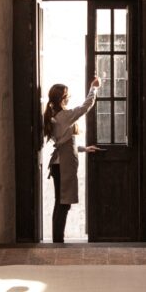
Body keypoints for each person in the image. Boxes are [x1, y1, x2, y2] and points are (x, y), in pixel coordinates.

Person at [43, 74, 103, 243]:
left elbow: (65, 143)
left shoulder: (56, 116)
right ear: (62, 98)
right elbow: (86, 106)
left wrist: (84, 148)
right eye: (67, 95)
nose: (69, 97)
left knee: (61, 203)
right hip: (63, 165)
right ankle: (58, 240)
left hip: (59, 164)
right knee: (63, 204)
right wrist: (94, 87)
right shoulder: (64, 116)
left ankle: (57, 239)